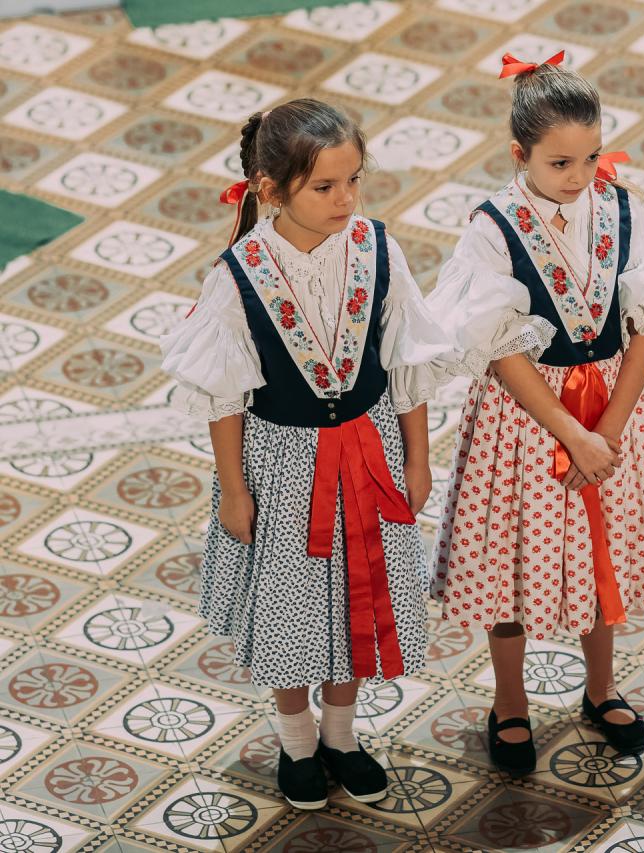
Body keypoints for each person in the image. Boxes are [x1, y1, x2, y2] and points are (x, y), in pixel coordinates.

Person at [160, 99, 449, 808]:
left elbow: (406, 363)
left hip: (370, 453)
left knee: (359, 594)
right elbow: (225, 397)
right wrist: (235, 490)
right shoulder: (238, 275)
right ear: (270, 190)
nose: (345, 199)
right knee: (290, 609)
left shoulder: (378, 249)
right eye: (325, 186)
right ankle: (296, 740)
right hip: (282, 469)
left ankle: (341, 736)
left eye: (354, 180)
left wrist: (417, 459)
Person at [426, 52, 644, 775]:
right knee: (510, 561)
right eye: (559, 163)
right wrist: (571, 431)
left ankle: (601, 688)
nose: (579, 177)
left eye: (591, 157)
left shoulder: (622, 208)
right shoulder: (492, 228)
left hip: (609, 407)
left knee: (599, 550)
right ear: (519, 155)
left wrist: (606, 431)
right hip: (525, 420)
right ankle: (509, 701)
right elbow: (498, 346)